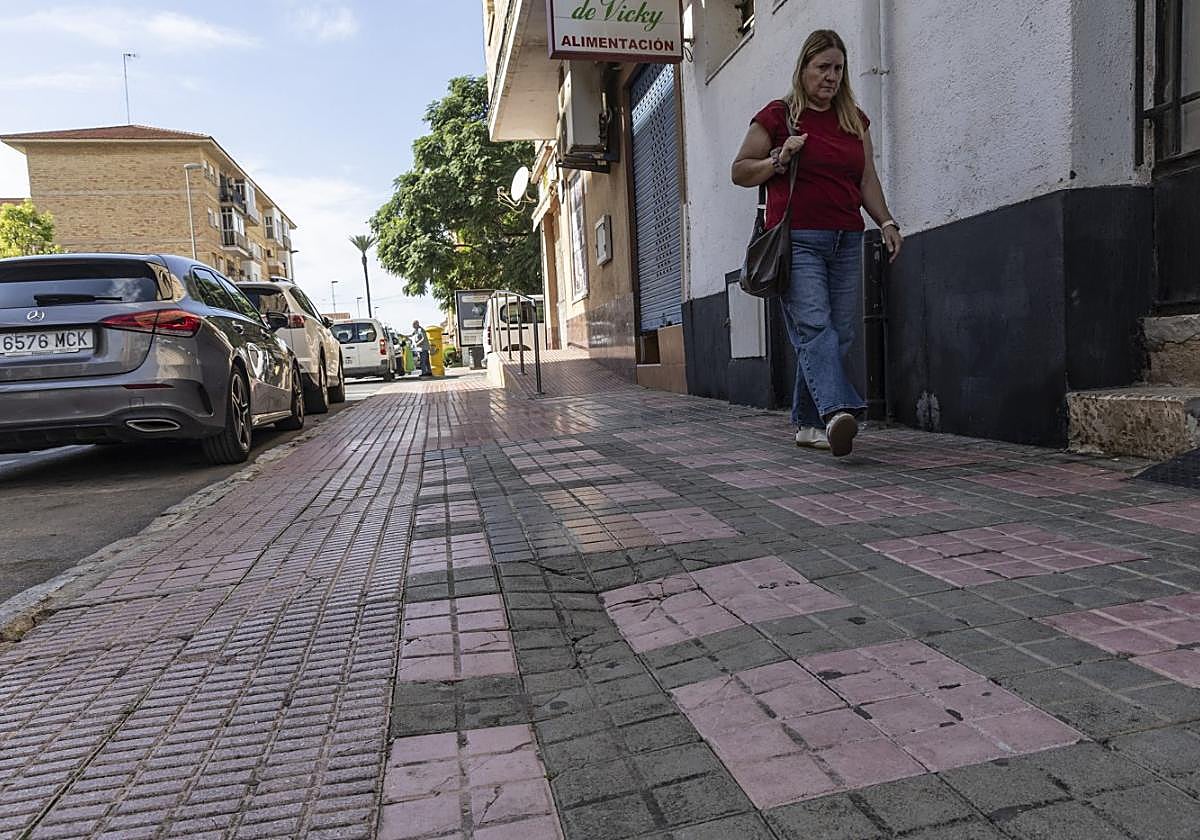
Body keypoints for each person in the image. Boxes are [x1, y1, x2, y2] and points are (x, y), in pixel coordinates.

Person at [731, 29, 902, 457]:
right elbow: (740, 171)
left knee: (840, 335)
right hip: (797, 240)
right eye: (823, 67)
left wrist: (885, 222)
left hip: (847, 238)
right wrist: (778, 158)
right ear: (803, 68)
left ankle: (808, 424)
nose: (831, 76)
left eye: (838, 68)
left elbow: (866, 179)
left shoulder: (854, 120)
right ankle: (837, 412)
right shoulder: (778, 116)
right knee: (815, 327)